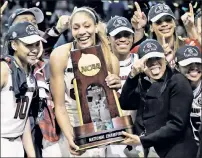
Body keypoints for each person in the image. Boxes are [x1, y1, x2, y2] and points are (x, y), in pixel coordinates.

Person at [49, 6, 121, 157]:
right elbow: (59, 106)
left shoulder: (110, 58)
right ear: (71, 30)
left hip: (100, 128)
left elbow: (113, 107)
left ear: (96, 27)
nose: (82, 31)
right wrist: (70, 137)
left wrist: (117, 87)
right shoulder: (60, 55)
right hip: (71, 127)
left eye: (87, 26)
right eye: (76, 27)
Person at [119, 39, 198, 158]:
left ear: (165, 60)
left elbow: (177, 124)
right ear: (142, 64)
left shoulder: (177, 81)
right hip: (154, 151)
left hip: (177, 150)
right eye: (148, 60)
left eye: (157, 58)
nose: (154, 63)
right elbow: (125, 103)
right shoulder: (143, 82)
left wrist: (143, 140)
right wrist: (132, 76)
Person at [1, 21, 47, 157]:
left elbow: (23, 118)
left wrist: (31, 154)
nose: (34, 49)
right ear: (14, 45)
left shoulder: (31, 72)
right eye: (28, 45)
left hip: (17, 144)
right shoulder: (4, 69)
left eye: (36, 44)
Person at [175, 45, 201, 147]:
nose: (194, 67)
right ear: (177, 67)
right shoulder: (174, 90)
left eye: (198, 63)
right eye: (188, 64)